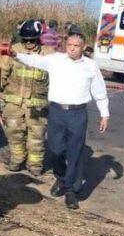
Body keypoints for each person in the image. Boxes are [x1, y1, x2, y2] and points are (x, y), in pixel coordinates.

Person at [10, 28, 109, 210]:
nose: (72, 49)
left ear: (83, 47)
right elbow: (34, 60)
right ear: (65, 45)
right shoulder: (55, 60)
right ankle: (61, 178)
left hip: (78, 114)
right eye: (69, 45)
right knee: (55, 150)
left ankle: (71, 191)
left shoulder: (90, 66)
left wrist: (104, 113)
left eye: (76, 46)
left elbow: (99, 91)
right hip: (56, 112)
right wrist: (16, 54)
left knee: (75, 154)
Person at [0, 20, 55, 176]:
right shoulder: (12, 50)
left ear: (38, 38)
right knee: (14, 133)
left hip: (38, 104)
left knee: (37, 136)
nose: (28, 43)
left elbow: (56, 76)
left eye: (32, 40)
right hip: (14, 102)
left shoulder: (49, 53)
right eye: (25, 40)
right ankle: (17, 159)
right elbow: (2, 73)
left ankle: (35, 165)